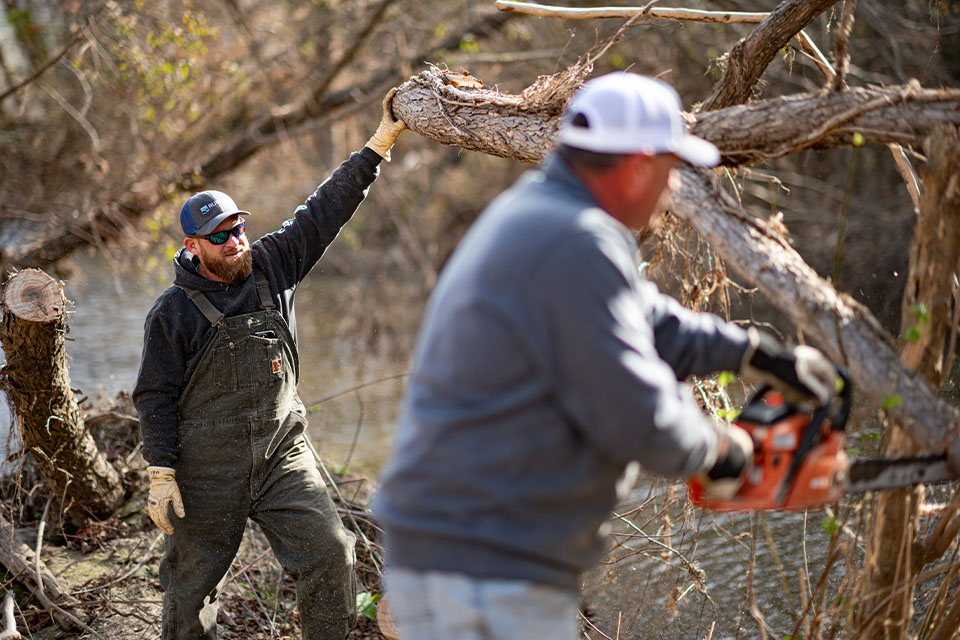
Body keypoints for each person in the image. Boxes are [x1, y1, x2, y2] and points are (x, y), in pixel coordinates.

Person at [371, 72, 839, 640]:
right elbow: (634, 415)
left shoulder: (549, 217)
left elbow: (646, 319)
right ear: (640, 163)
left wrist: (757, 355)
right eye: (670, 170)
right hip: (482, 563)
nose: (671, 189)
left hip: (471, 550)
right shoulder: (573, 240)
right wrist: (724, 448)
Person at [131, 89, 406, 640]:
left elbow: (323, 210)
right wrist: (161, 473)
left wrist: (377, 145)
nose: (235, 242)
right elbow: (154, 396)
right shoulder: (172, 312)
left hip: (283, 452)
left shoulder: (274, 262)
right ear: (193, 245)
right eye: (219, 237)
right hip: (206, 470)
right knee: (189, 594)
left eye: (236, 228)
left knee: (332, 551)